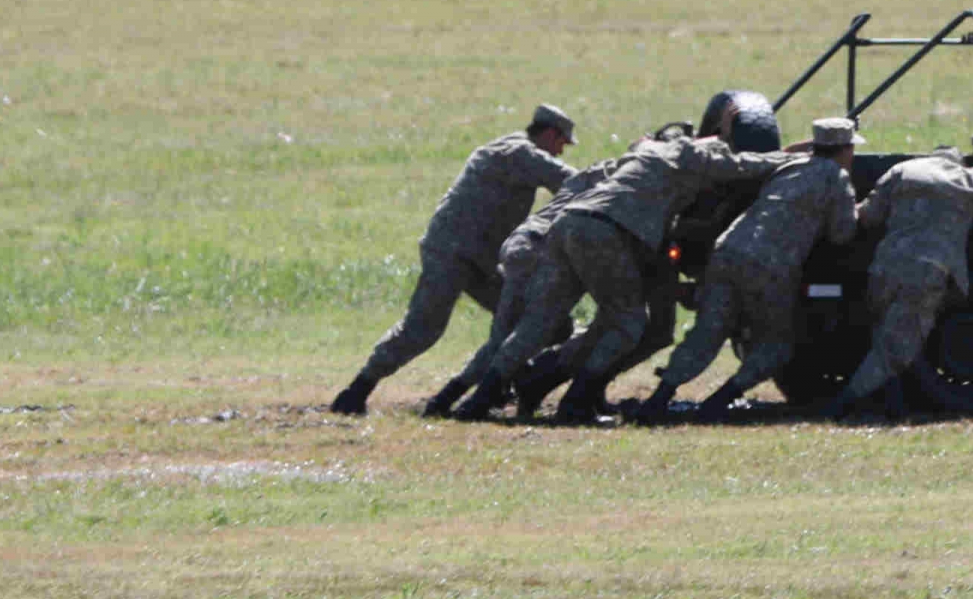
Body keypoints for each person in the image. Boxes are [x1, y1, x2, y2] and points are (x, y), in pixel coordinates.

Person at [461, 124, 791, 424]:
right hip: (604, 231)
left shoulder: (648, 151)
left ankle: (480, 399)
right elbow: (744, 165)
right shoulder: (691, 154)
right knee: (629, 322)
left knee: (540, 321)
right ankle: (576, 402)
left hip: (570, 222)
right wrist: (794, 156)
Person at [329, 105, 576, 415]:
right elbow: (569, 180)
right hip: (453, 252)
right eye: (562, 144)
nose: (561, 152)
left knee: (538, 319)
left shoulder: (511, 150)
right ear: (550, 134)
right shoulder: (519, 153)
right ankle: (357, 390)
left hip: (480, 257)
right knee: (423, 328)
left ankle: (493, 386)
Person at [633, 118, 862, 420]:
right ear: (845, 150)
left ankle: (658, 401)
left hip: (727, 250)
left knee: (707, 332)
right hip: (769, 265)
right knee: (777, 344)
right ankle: (717, 403)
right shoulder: (836, 178)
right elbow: (842, 234)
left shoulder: (790, 166)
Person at [419, 143, 618, 418]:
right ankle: (479, 401)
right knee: (531, 332)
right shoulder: (621, 186)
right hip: (544, 251)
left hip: (519, 243)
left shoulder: (589, 174)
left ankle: (444, 399)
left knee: (501, 337)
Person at [832, 136, 973, 419]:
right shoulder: (964, 179)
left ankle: (894, 406)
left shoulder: (903, 170)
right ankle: (844, 404)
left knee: (886, 336)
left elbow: (867, 215)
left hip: (885, 267)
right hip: (926, 272)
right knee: (895, 349)